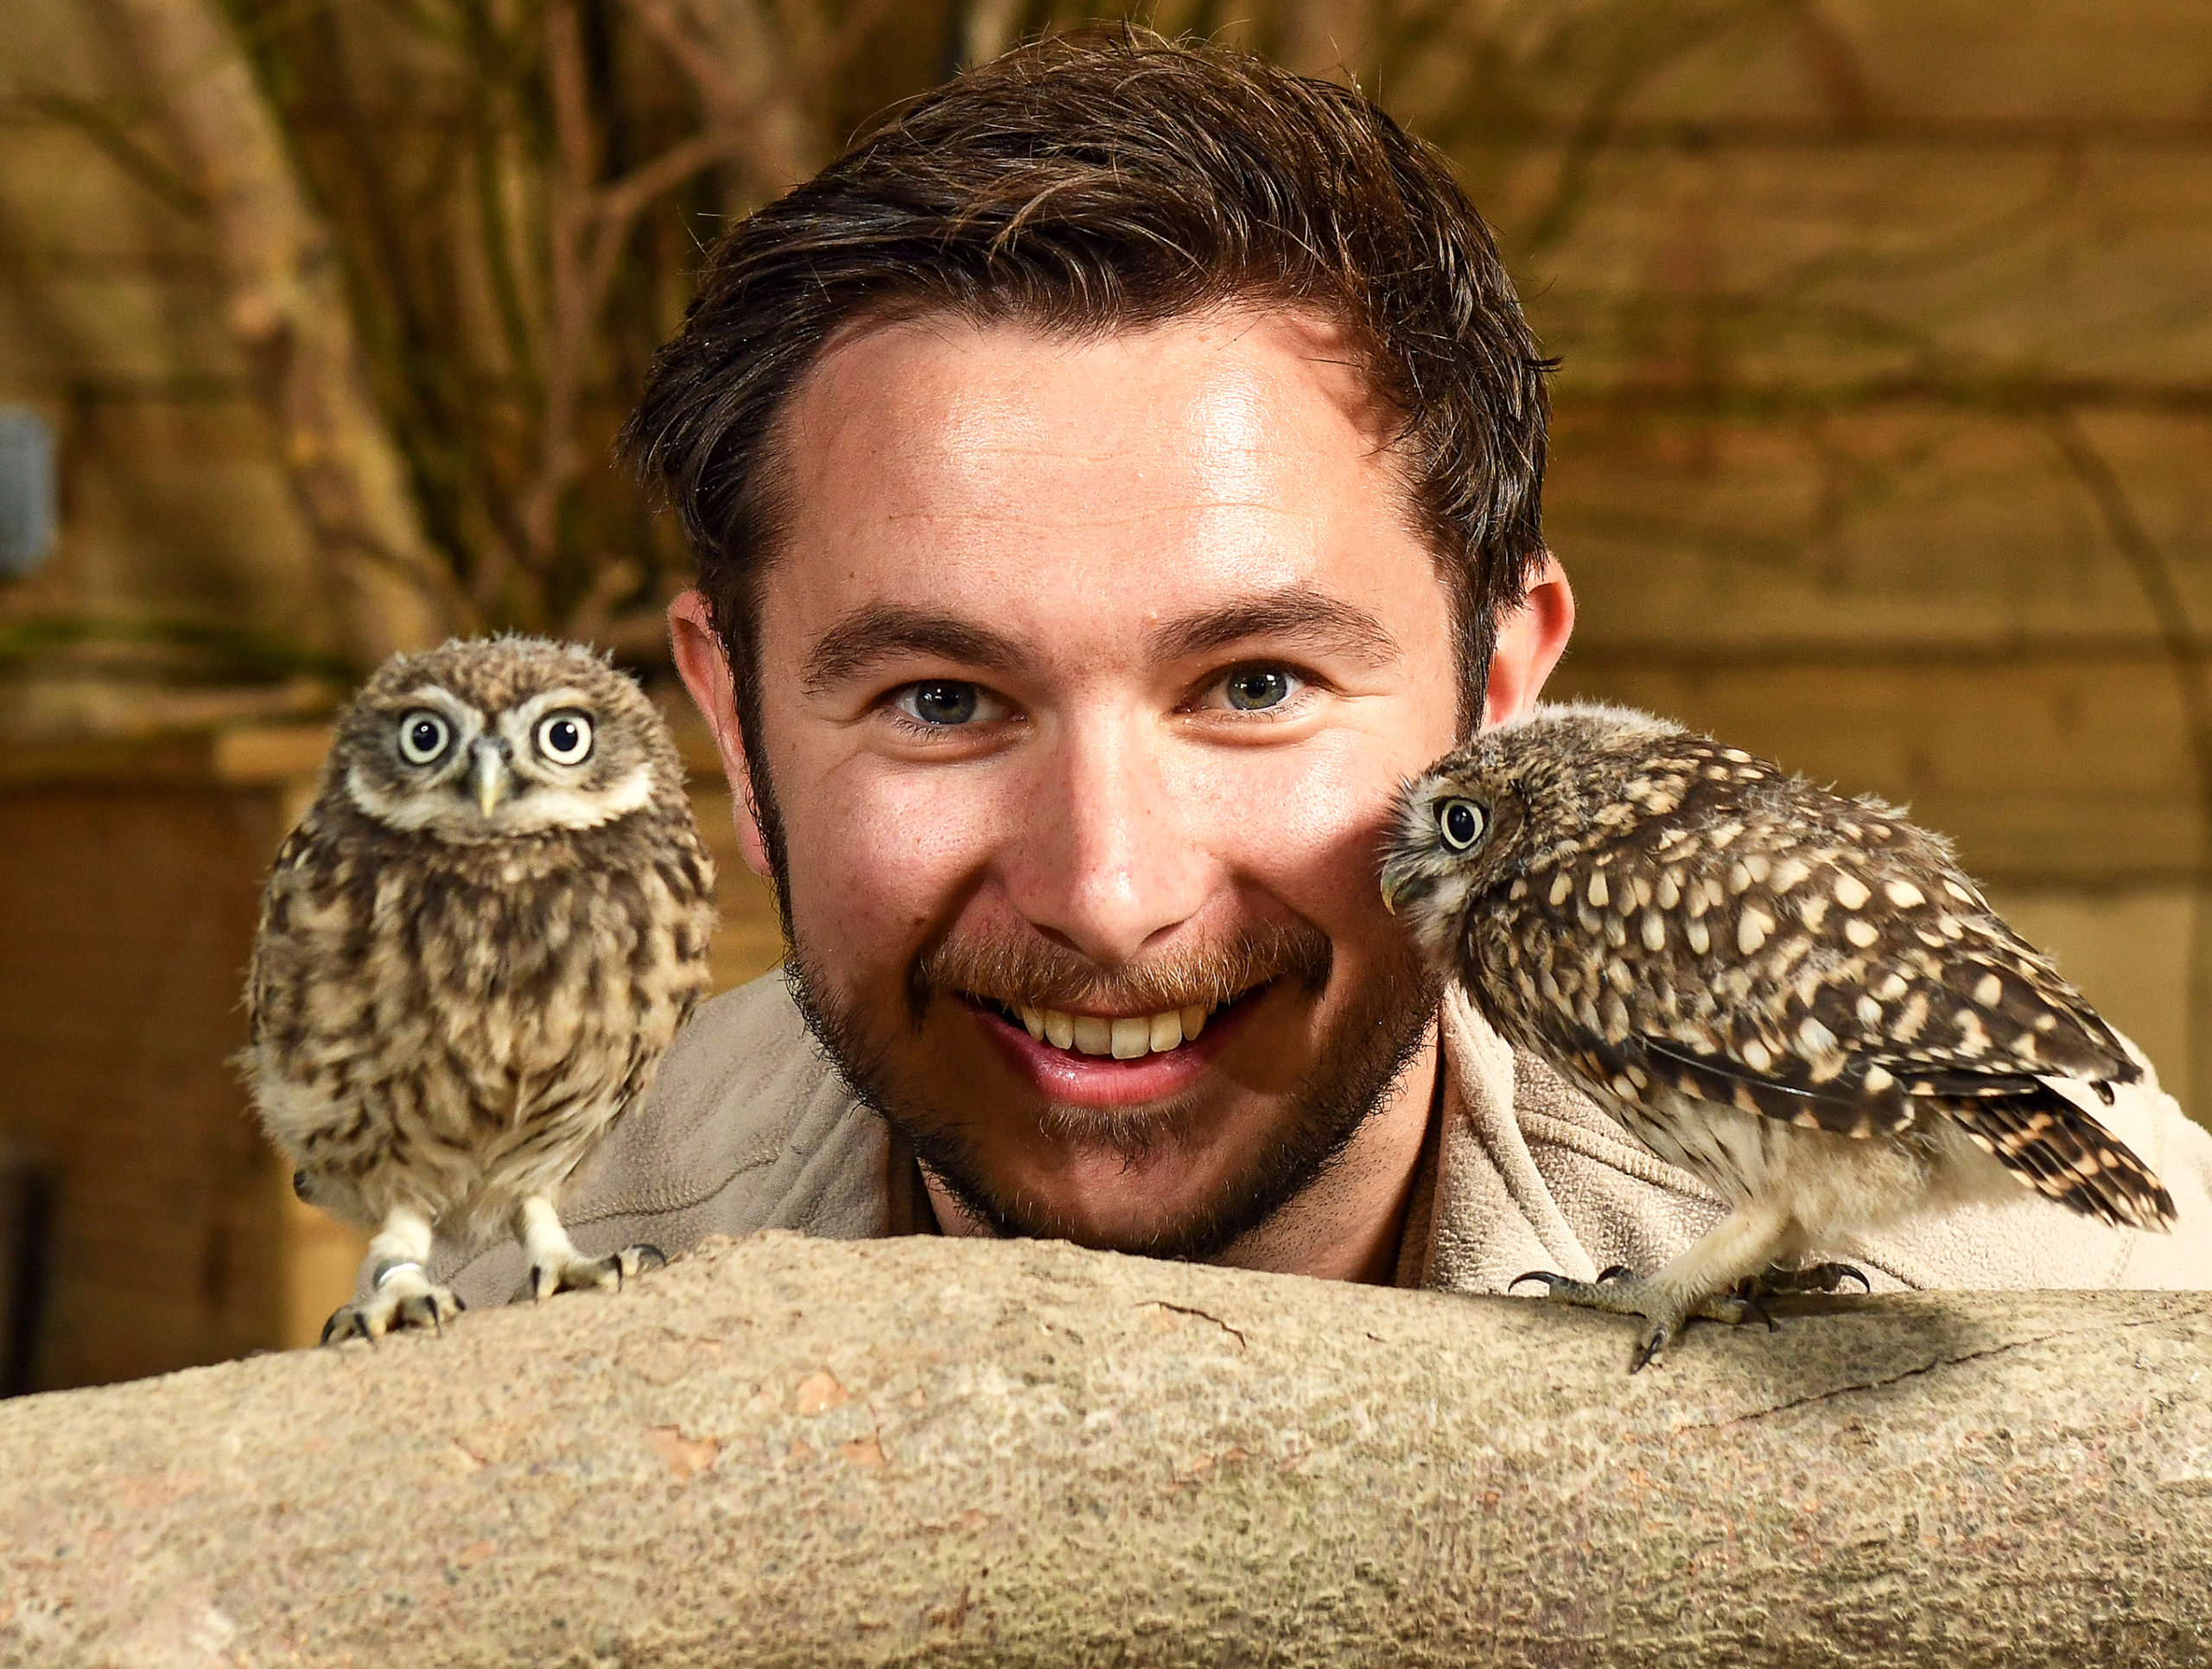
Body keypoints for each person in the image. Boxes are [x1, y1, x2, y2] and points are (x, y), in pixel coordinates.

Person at [433, 29, 2212, 1310]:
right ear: (732, 735)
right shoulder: (525, 1278)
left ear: (1495, 696)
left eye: (1256, 683)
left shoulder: (2052, 1303)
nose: (1108, 898)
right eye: (942, 703)